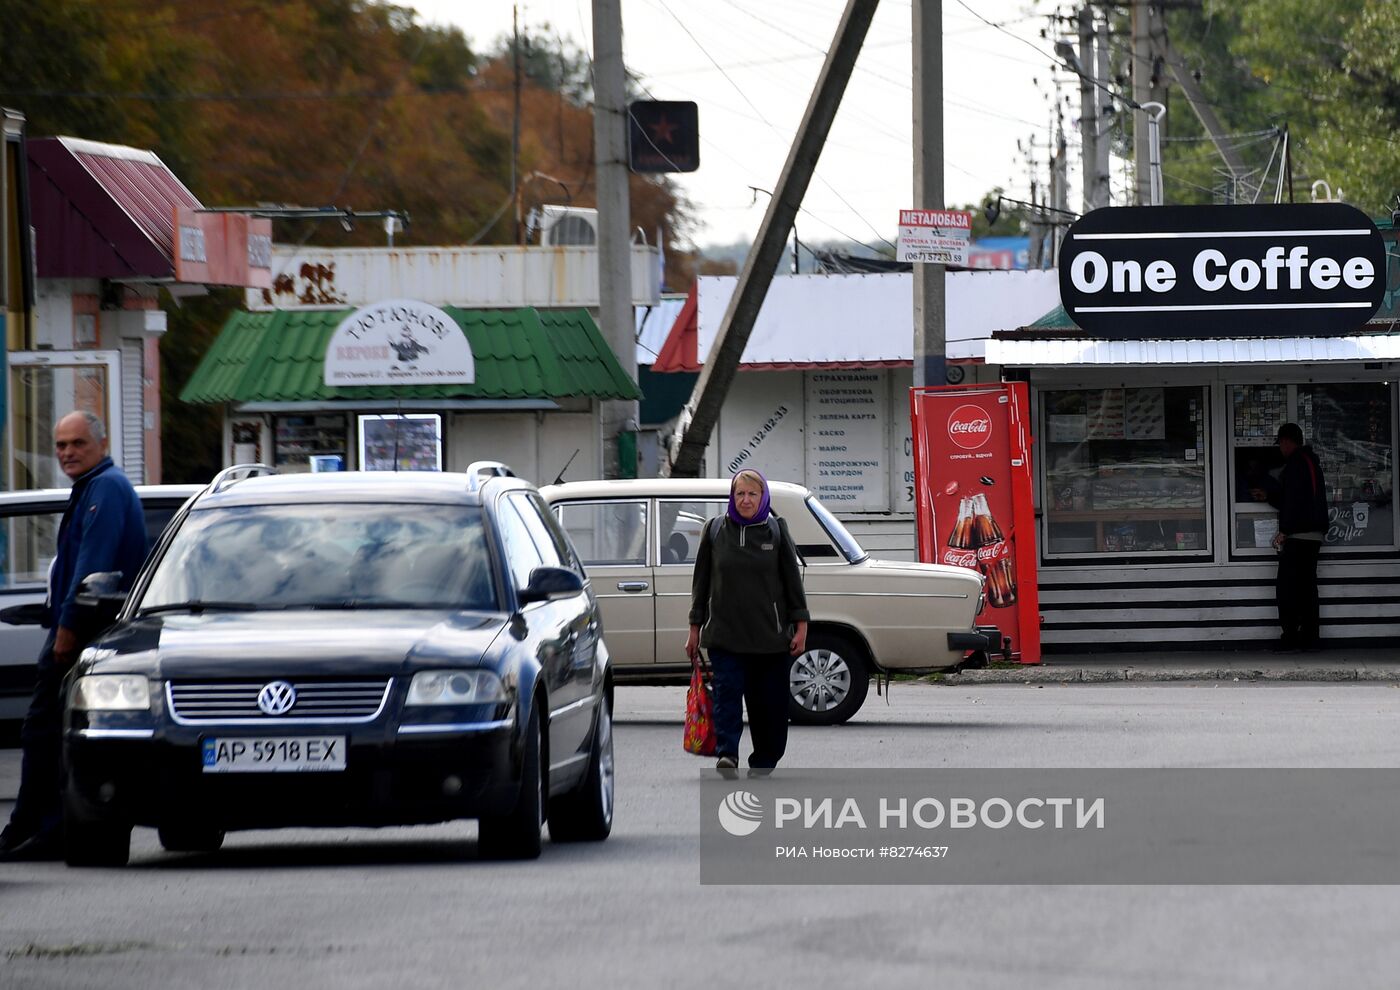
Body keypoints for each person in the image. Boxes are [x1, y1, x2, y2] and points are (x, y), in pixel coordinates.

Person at [0, 412, 146, 860]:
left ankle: (36, 829)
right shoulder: (93, 487)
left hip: (84, 636)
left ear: (100, 445)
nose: (67, 453)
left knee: (43, 733)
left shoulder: (105, 488)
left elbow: (91, 574)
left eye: (77, 443)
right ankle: (42, 826)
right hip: (84, 633)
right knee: (54, 734)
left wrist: (65, 632)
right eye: (61, 445)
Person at [686, 470, 808, 776]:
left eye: (752, 494)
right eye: (740, 493)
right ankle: (728, 754)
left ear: (763, 497)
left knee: (768, 706)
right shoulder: (715, 531)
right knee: (727, 697)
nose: (745, 500)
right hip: (725, 636)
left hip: (770, 638)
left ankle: (765, 759)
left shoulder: (776, 531)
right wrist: (694, 628)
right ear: (732, 496)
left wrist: (801, 626)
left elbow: (793, 583)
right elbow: (700, 583)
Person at [1252, 422, 1329, 652]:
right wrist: (1269, 496)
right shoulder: (1312, 463)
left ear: (1287, 441)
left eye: (1281, 444)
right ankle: (1310, 637)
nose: (1280, 449)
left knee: (1286, 589)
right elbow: (1296, 497)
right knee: (1307, 589)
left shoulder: (1295, 463)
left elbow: (1293, 500)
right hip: (1314, 535)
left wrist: (1284, 530)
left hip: (1299, 535)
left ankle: (1290, 637)